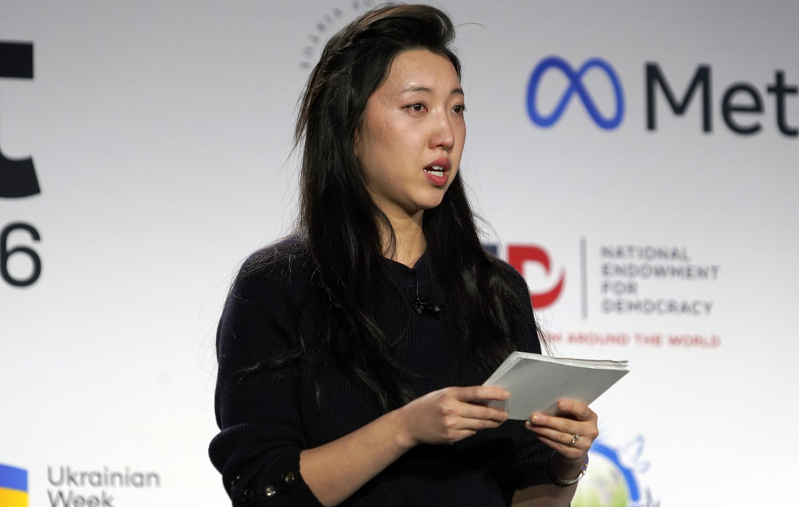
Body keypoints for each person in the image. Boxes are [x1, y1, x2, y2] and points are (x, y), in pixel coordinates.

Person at [209, 4, 598, 506]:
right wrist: (406, 429)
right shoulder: (278, 286)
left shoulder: (496, 291)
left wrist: (567, 463)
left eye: (456, 108)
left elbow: (524, 492)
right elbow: (263, 488)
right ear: (350, 125)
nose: (446, 134)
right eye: (418, 107)